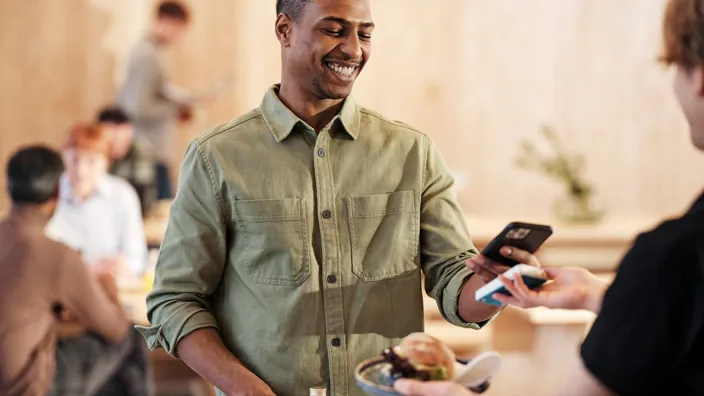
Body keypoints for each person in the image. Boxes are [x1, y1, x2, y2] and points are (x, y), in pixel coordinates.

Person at [137, 1, 518, 395]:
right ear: (284, 30)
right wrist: (246, 389)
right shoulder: (215, 157)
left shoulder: (413, 153)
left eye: (365, 34)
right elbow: (176, 300)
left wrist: (497, 286)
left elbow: (457, 286)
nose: (354, 49)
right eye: (334, 30)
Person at [393, 0, 704, 394]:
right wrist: (609, 299)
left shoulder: (669, 258)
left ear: (699, 78)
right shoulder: (669, 268)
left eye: (673, 64)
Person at [0, 145, 130, 396]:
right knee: (130, 338)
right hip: (22, 385)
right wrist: (108, 284)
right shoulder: (55, 254)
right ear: (58, 192)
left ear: (8, 188)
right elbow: (115, 328)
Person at [46, 122, 148, 278]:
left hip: (109, 288)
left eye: (91, 161)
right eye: (74, 159)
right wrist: (87, 268)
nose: (81, 171)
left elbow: (137, 259)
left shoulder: (122, 195)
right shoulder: (49, 193)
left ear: (106, 163)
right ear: (63, 157)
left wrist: (123, 266)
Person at [117, 1, 192, 201]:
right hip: (148, 151)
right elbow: (136, 107)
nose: (180, 37)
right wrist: (175, 110)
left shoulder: (151, 51)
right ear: (164, 21)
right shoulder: (148, 56)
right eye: (179, 29)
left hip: (151, 149)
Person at [98, 106, 157, 217]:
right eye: (113, 140)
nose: (118, 144)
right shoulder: (93, 152)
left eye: (124, 140)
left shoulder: (139, 152)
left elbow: (141, 199)